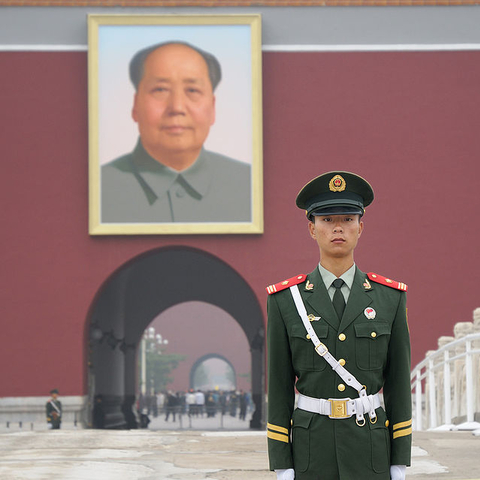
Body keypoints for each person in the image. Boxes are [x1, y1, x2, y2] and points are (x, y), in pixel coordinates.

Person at [266, 171, 411, 480]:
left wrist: (399, 460)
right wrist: (282, 463)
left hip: (370, 450)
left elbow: (398, 384)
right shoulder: (285, 300)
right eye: (327, 220)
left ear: (361, 227)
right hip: (311, 451)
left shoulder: (390, 298)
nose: (338, 228)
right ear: (312, 229)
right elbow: (278, 387)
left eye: (347, 219)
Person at [101, 41, 251, 223]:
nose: (177, 107)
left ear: (212, 108)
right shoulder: (98, 188)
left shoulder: (250, 186)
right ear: (135, 106)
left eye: (192, 90)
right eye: (160, 90)